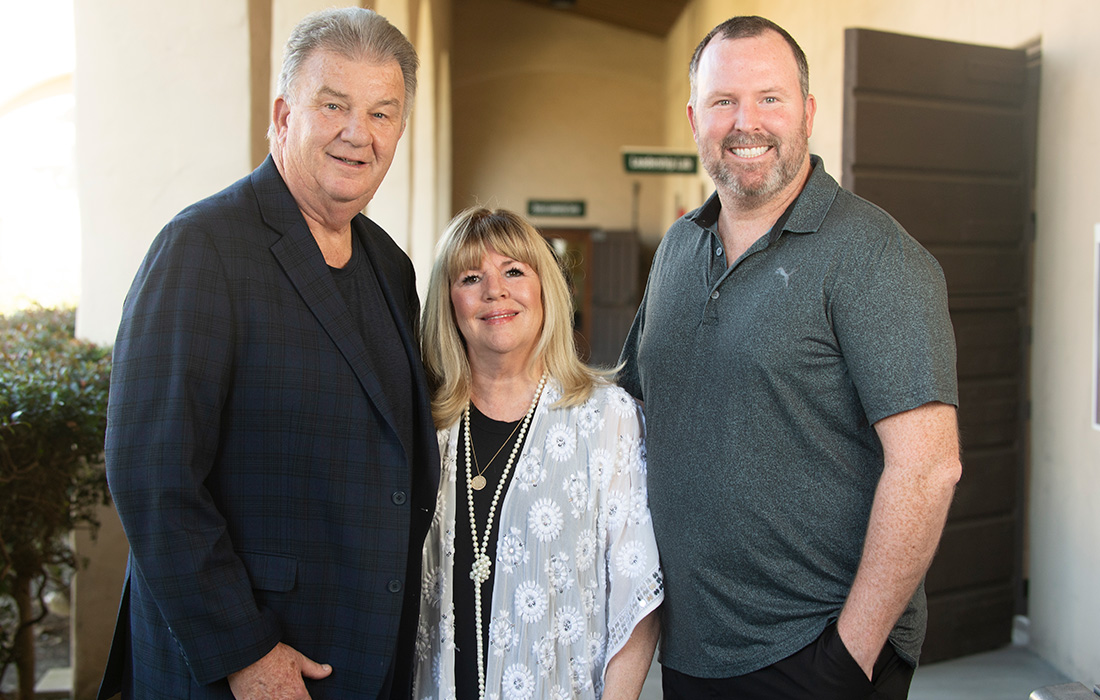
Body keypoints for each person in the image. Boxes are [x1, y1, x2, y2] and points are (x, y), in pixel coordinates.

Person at [618, 15, 962, 700]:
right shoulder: (678, 250)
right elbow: (629, 405)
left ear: (807, 110)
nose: (746, 122)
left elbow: (928, 467)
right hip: (692, 645)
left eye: (769, 98)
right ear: (694, 118)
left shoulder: (873, 256)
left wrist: (847, 658)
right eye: (724, 102)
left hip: (812, 653)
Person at [98, 8, 438, 699]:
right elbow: (152, 475)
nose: (357, 134)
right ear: (283, 114)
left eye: (382, 113)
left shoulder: (390, 266)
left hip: (363, 658)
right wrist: (243, 650)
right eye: (334, 105)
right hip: (247, 667)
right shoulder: (201, 248)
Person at [414, 208, 662, 700]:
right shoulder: (422, 422)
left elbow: (636, 595)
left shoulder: (606, 417)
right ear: (448, 302)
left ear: (545, 288)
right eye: (470, 277)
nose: (494, 291)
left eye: (513, 271)